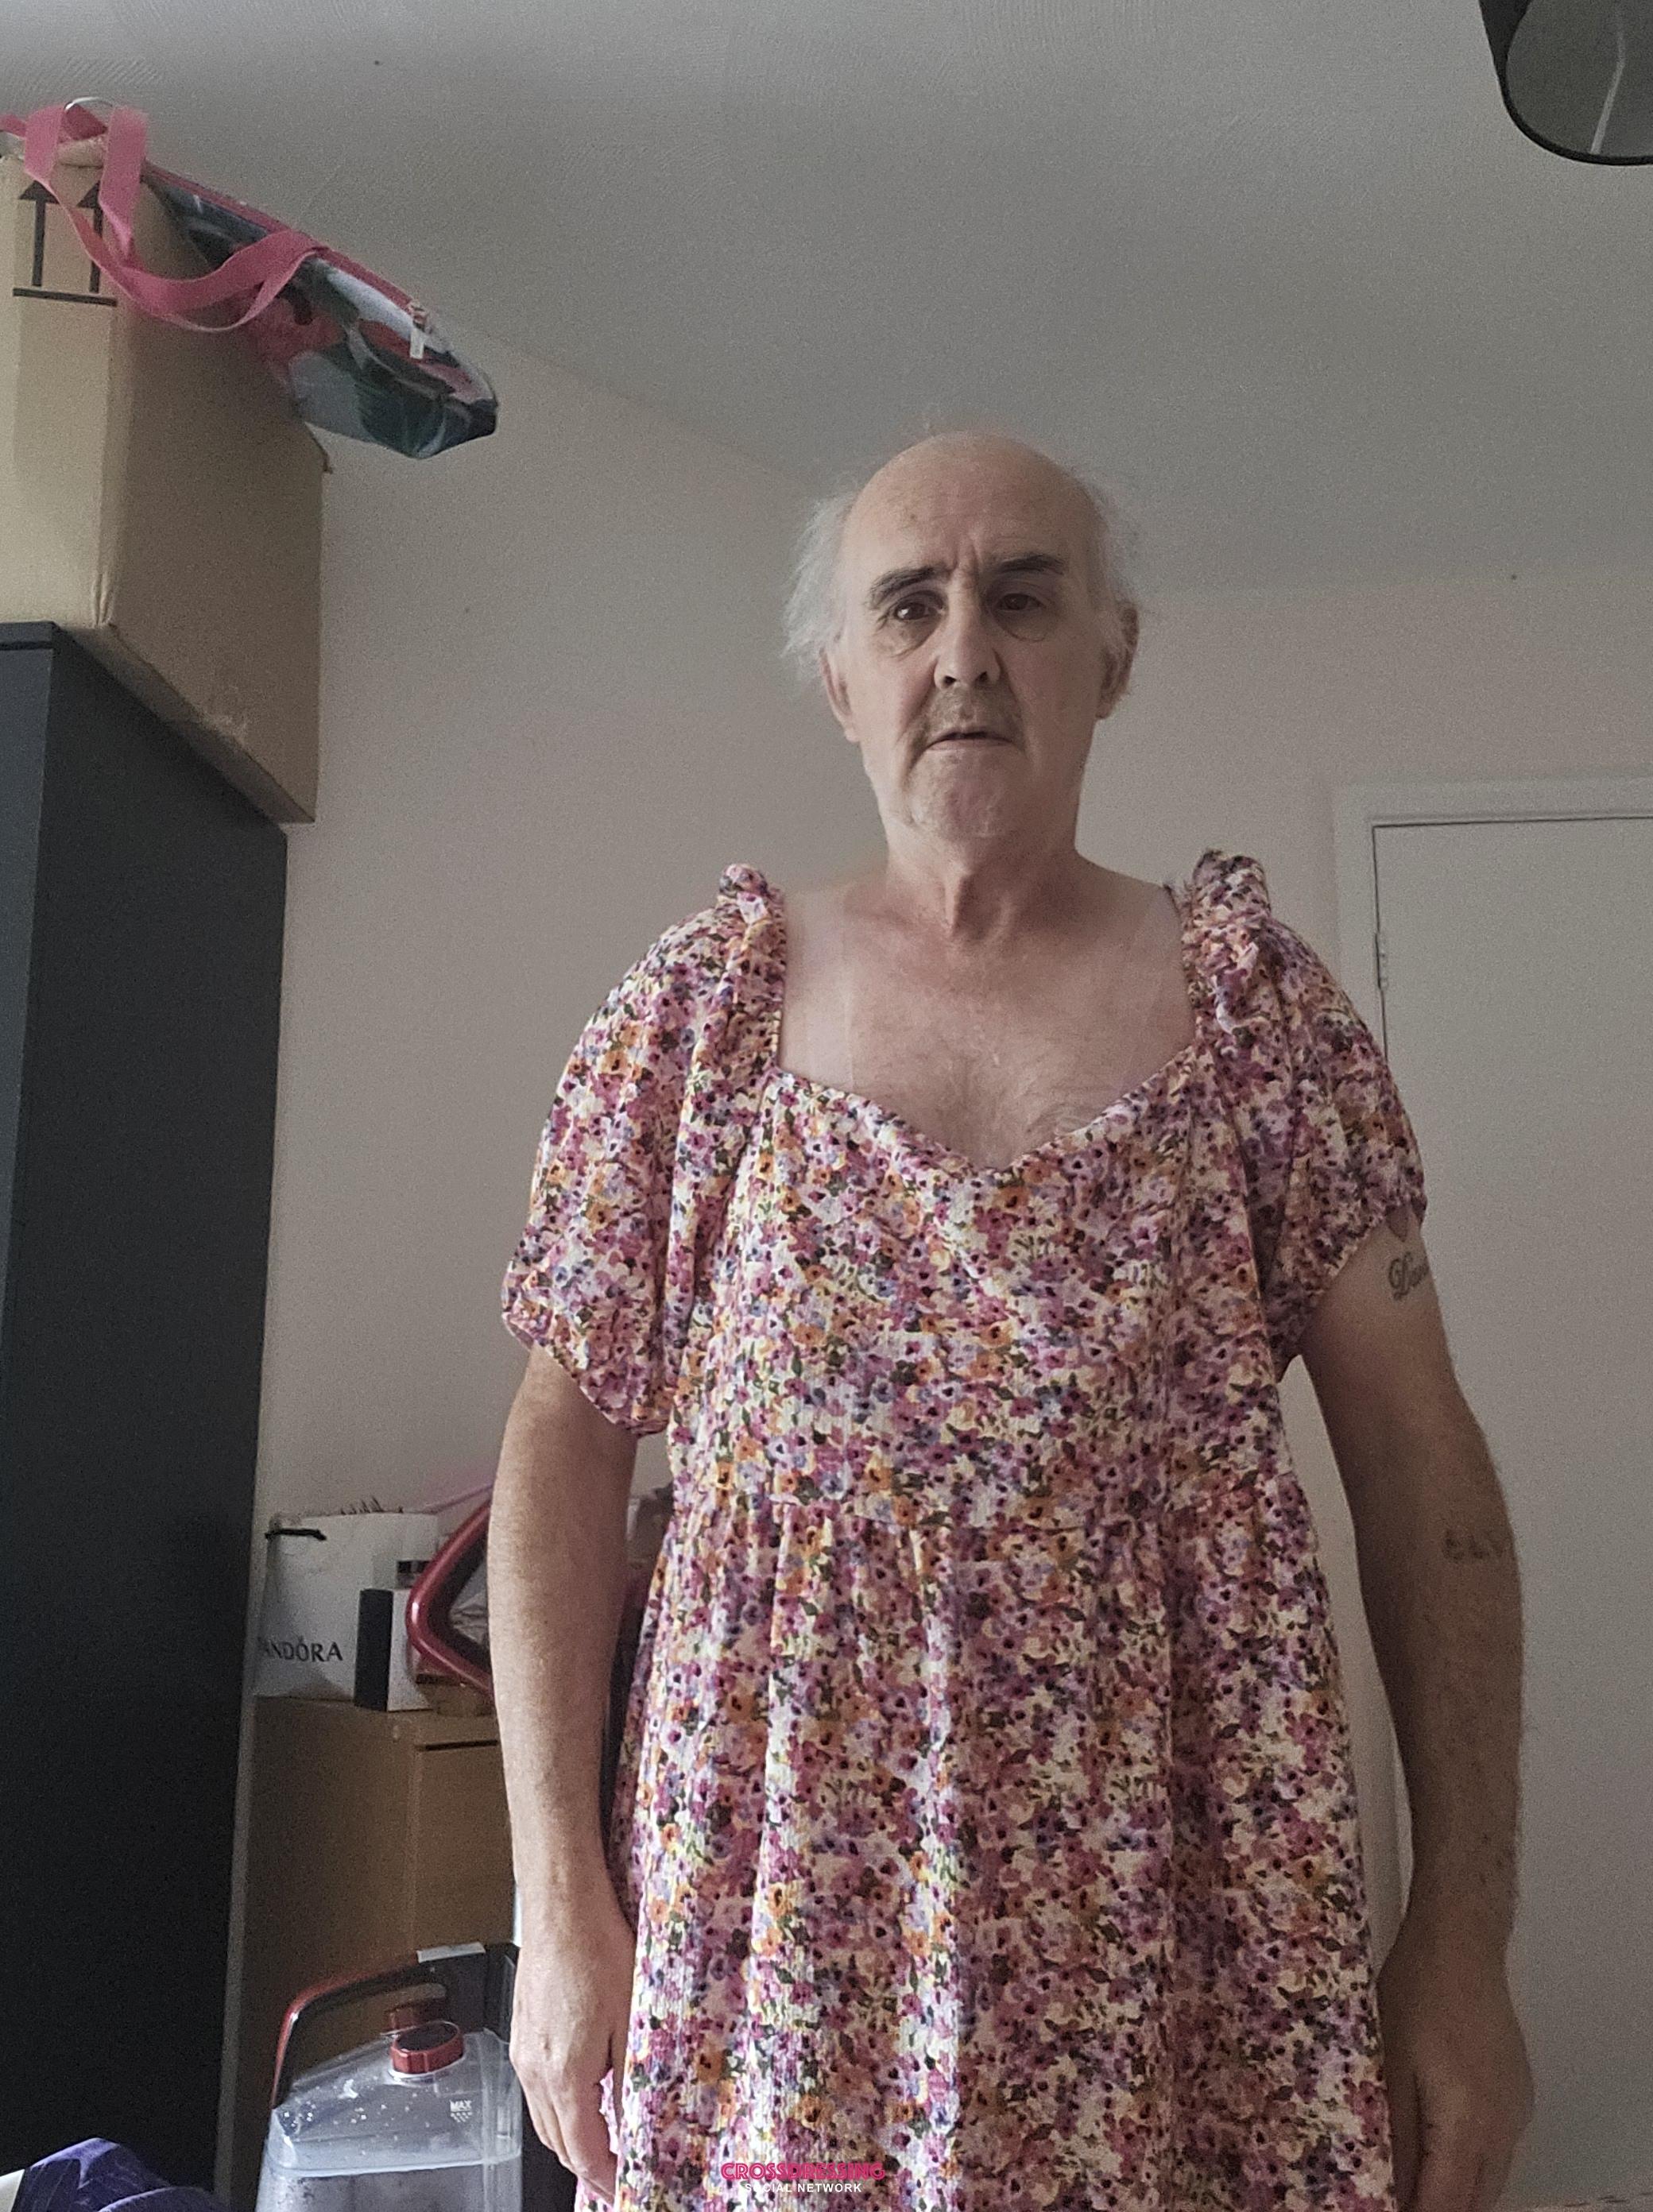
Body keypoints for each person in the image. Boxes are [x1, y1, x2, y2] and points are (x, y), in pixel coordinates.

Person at [486, 430, 1534, 2212]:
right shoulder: (701, 1013)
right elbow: (561, 1448)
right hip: (778, 1950)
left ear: (1110, 656)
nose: (963, 649)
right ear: (841, 677)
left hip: (1181, 1969)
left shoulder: (1254, 1016)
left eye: (1022, 598)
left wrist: (1460, 1934)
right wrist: (553, 1900)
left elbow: (1427, 1477)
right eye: (909, 605)